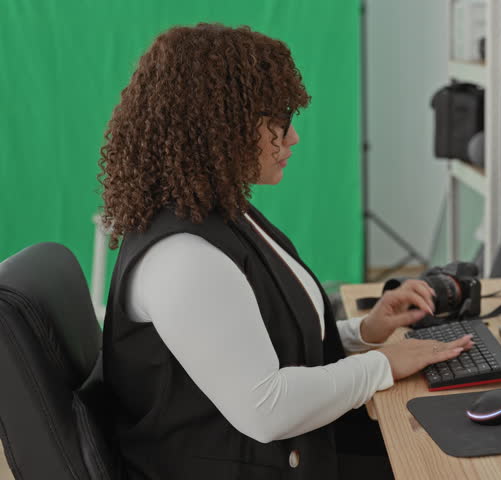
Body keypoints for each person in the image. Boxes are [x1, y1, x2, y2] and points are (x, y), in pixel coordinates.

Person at [98, 23, 474, 480]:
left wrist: (366, 331)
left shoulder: (221, 212)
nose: (291, 138)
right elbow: (267, 409)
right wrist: (383, 365)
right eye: (278, 123)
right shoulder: (183, 257)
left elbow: (258, 338)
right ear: (221, 127)